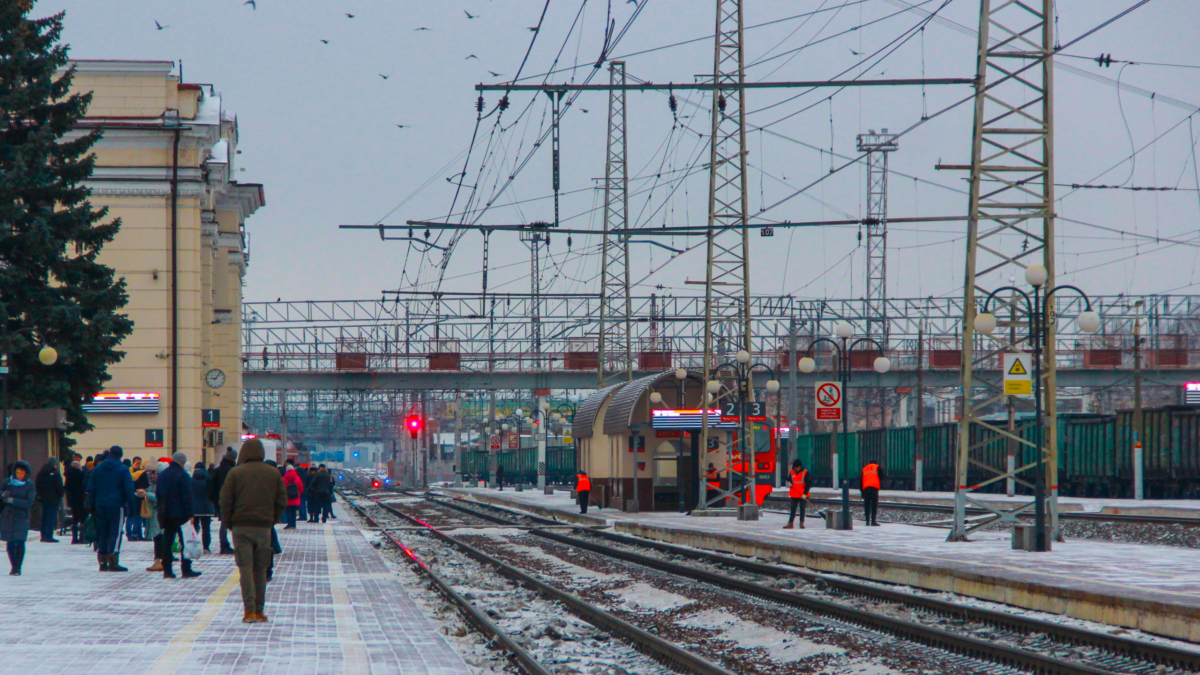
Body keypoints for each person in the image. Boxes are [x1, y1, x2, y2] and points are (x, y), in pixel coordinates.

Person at [219, 439, 287, 624]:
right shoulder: (272, 473)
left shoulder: (235, 473)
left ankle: (249, 611)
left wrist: (228, 522)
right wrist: (272, 519)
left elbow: (225, 500)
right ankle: (259, 611)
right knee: (260, 569)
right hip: (263, 528)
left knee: (245, 569)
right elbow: (282, 499)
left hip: (240, 527)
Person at [86, 445, 134, 572]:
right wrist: (132, 506)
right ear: (120, 455)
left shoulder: (98, 468)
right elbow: (128, 489)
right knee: (116, 533)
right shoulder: (123, 469)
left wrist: (91, 505)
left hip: (100, 505)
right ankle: (113, 561)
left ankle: (102, 561)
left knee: (103, 532)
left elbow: (90, 488)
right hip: (117, 505)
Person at [157, 451, 200, 579]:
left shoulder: (162, 475)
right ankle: (186, 569)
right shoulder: (183, 475)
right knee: (185, 542)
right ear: (182, 461)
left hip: (166, 513)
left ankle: (167, 570)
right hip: (181, 514)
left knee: (167, 542)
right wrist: (190, 514)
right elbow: (187, 496)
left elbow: (159, 494)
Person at [1, 461, 35, 575]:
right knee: (10, 541)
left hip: (21, 517)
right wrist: (2, 495)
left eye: (22, 473)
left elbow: (28, 503)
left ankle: (18, 567)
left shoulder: (29, 485)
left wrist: (12, 500)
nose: (19, 475)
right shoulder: (7, 482)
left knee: (19, 541)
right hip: (8, 516)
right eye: (17, 472)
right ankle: (13, 566)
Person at [139, 460, 166, 571]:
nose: (148, 474)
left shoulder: (161, 481)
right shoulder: (155, 481)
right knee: (158, 537)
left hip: (159, 512)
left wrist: (146, 494)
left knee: (159, 537)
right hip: (156, 512)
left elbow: (159, 497)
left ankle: (160, 561)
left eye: (150, 472)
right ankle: (160, 560)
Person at [210, 449, 238, 554]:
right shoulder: (231, 470)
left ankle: (224, 544)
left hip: (219, 499)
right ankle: (226, 545)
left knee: (224, 522)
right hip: (229, 499)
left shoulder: (219, 469)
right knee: (230, 523)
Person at [35, 457, 65, 543]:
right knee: (51, 517)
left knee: (44, 516)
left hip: (43, 498)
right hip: (53, 499)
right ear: (54, 463)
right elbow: (59, 486)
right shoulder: (55, 473)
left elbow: (37, 484)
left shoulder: (40, 473)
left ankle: (43, 535)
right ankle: (49, 535)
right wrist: (60, 495)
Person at [191, 461, 215, 553]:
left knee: (194, 527)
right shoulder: (209, 480)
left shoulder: (191, 480)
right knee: (206, 528)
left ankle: (193, 545)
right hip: (207, 507)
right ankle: (206, 547)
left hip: (194, 507)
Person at [64, 459, 87, 544]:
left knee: (75, 518)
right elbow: (83, 486)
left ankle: (74, 538)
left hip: (71, 499)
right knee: (82, 517)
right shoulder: (80, 474)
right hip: (80, 498)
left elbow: (66, 487)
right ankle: (81, 537)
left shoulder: (68, 475)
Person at [783, 460, 810, 530]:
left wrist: (805, 494)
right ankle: (790, 523)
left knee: (802, 509)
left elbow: (808, 484)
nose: (796, 469)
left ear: (800, 466)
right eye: (795, 467)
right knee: (792, 509)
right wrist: (788, 482)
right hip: (794, 494)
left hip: (802, 495)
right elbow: (789, 479)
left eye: (798, 467)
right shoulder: (792, 471)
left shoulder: (805, 472)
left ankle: (801, 523)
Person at [126, 457, 145, 541]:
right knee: (131, 516)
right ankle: (130, 534)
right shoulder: (130, 471)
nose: (138, 465)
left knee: (138, 516)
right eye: (137, 463)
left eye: (139, 463)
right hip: (131, 496)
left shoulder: (140, 472)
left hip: (139, 496)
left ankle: (136, 533)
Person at [282, 465, 303, 529]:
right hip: (295, 498)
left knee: (288, 511)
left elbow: (281, 488)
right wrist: (298, 494)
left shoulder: (284, 478)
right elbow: (301, 487)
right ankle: (294, 525)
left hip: (287, 498)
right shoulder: (297, 478)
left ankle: (289, 524)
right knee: (294, 512)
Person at [861, 462, 881, 527]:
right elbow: (882, 477)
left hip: (866, 488)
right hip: (874, 488)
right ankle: (873, 521)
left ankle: (867, 521)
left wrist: (862, 492)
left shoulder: (864, 469)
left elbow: (861, 481)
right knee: (874, 505)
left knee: (867, 504)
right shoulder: (877, 467)